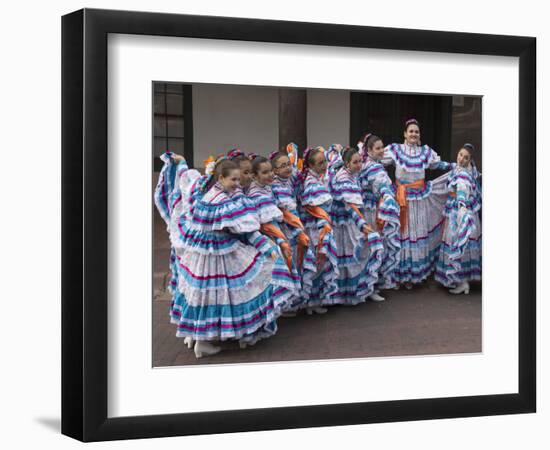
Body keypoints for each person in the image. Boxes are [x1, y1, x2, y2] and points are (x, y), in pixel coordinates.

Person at [167, 156, 293, 358]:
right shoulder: (224, 201)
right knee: (230, 290)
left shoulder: (205, 193)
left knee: (202, 294)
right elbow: (248, 230)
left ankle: (196, 335)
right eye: (233, 180)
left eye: (238, 179)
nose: (237, 184)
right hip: (219, 254)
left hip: (202, 254)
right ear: (220, 178)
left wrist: (181, 163)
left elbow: (186, 180)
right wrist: (269, 249)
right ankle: (204, 341)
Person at [381, 119, 451, 287]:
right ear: (405, 133)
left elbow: (438, 164)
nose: (414, 134)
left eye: (416, 132)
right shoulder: (395, 150)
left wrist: (455, 167)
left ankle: (412, 276)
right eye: (411, 131)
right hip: (400, 198)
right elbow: (377, 159)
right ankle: (398, 275)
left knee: (415, 234)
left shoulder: (425, 152)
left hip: (419, 199)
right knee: (401, 235)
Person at [328, 146, 384, 305]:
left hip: (350, 220)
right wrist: (363, 226)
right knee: (358, 252)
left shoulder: (353, 174)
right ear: (346, 163)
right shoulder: (344, 178)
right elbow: (350, 206)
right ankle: (359, 291)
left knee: (354, 254)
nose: (359, 165)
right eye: (355, 162)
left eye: (360, 161)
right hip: (346, 222)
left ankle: (361, 290)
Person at [247, 155, 301, 314]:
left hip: (276, 233)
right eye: (265, 173)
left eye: (271, 171)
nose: (270, 175)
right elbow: (267, 223)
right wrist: (281, 241)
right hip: (267, 238)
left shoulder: (269, 187)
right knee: (272, 271)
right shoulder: (256, 193)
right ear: (254, 176)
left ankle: (279, 307)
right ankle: (271, 309)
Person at [270, 150, 316, 313]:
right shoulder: (275, 185)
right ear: (274, 170)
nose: (287, 168)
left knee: (298, 260)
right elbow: (286, 210)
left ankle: (297, 300)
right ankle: (287, 304)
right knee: (290, 262)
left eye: (288, 164)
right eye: (282, 166)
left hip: (295, 224)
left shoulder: (289, 180)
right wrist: (298, 230)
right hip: (286, 228)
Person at [435, 143, 482, 294]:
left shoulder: (462, 175)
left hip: (459, 211)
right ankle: (462, 280)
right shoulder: (465, 169)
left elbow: (462, 190)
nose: (461, 159)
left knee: (457, 242)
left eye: (465, 158)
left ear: (470, 160)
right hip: (461, 209)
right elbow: (447, 165)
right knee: (463, 243)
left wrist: (461, 206)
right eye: (460, 155)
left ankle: (462, 282)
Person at [359, 134, 401, 296]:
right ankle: (371, 287)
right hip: (370, 211)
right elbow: (382, 185)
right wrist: (388, 197)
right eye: (377, 148)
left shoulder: (368, 164)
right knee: (373, 247)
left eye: (382, 147)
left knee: (371, 247)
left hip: (369, 208)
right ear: (369, 150)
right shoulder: (374, 167)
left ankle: (370, 286)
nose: (382, 150)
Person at [298, 147, 339, 314]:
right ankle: (310, 302)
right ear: (311, 165)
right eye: (320, 163)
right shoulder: (311, 183)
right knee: (316, 262)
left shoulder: (320, 179)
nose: (324, 165)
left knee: (319, 263)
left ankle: (313, 302)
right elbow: (316, 208)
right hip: (315, 228)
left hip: (321, 226)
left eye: (325, 161)